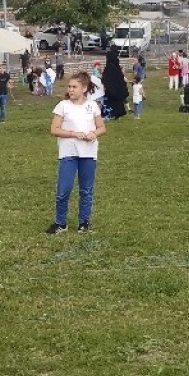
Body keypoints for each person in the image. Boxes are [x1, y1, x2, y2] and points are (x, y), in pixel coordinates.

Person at [48, 71, 106, 235]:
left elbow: (102, 127)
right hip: (68, 153)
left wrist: (93, 134)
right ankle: (60, 223)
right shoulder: (63, 106)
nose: (71, 89)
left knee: (86, 190)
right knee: (63, 190)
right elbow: (54, 129)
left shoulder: (92, 106)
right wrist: (74, 134)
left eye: (75, 86)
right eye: (69, 86)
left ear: (84, 88)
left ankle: (84, 223)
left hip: (88, 153)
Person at [101, 48, 129, 119]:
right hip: (118, 87)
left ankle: (111, 114)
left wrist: (104, 81)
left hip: (111, 88)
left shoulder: (109, 67)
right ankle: (118, 114)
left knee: (111, 102)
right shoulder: (116, 66)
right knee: (118, 102)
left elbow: (107, 78)